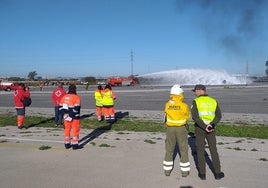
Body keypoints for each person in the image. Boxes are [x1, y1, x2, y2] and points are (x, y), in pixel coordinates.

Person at [191, 84, 224, 180]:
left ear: (201, 90)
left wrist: (204, 127)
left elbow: (195, 117)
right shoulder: (213, 101)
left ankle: (202, 174)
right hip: (211, 129)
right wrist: (211, 125)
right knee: (213, 150)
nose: (194, 93)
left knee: (200, 150)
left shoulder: (196, 101)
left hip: (200, 128)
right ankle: (218, 173)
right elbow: (218, 115)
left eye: (195, 91)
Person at [163, 85, 191, 177]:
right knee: (183, 149)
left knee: (169, 149)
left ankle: (167, 171)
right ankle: (185, 172)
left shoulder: (167, 104)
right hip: (181, 128)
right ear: (180, 94)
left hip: (170, 129)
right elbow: (188, 116)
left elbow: (165, 115)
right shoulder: (184, 105)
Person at [59, 84, 81, 150]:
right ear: (75, 89)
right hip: (75, 117)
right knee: (75, 130)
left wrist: (65, 115)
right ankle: (75, 145)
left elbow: (60, 107)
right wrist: (71, 115)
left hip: (66, 117)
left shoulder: (64, 97)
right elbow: (77, 108)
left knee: (67, 130)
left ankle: (67, 144)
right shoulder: (76, 97)